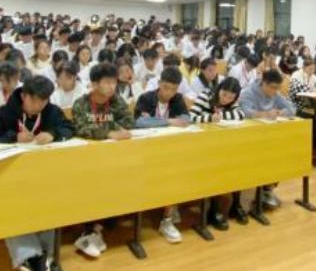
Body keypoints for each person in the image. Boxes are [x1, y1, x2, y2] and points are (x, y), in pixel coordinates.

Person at [0, 75, 74, 271]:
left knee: (51, 200)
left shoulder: (51, 111)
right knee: (12, 206)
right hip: (10, 177)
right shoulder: (5, 113)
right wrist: (12, 138)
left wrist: (53, 133)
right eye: (34, 101)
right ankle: (29, 255)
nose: (38, 106)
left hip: (44, 174)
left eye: (43, 101)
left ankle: (46, 254)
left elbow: (69, 128)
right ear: (24, 96)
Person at [71, 62, 134, 258]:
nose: (111, 87)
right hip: (87, 160)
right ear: (94, 84)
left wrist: (104, 130)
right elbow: (81, 128)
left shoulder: (116, 101)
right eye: (106, 82)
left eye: (114, 82)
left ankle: (95, 229)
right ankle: (89, 229)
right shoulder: (81, 103)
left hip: (114, 158)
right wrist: (109, 132)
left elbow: (128, 122)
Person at [134, 67, 191, 243]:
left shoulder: (178, 99)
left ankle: (167, 219)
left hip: (171, 150)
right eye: (166, 87)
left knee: (176, 172)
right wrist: (169, 121)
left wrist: (156, 121)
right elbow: (140, 122)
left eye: (173, 89)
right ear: (159, 84)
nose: (169, 93)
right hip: (146, 151)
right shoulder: (146, 98)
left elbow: (186, 119)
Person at [189, 77, 248, 227]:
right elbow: (191, 117)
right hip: (202, 145)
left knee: (238, 163)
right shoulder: (206, 95)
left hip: (223, 145)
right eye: (224, 94)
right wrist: (209, 118)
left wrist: (220, 116)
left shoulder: (232, 102)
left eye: (230, 97)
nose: (226, 99)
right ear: (219, 89)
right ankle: (213, 209)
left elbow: (240, 115)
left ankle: (236, 204)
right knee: (216, 166)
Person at [238, 69, 295, 208]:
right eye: (273, 87)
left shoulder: (276, 93)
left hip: (269, 136)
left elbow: (291, 109)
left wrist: (279, 112)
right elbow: (245, 112)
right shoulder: (248, 93)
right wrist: (264, 114)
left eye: (278, 88)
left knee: (280, 155)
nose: (275, 91)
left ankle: (268, 189)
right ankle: (262, 190)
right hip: (249, 137)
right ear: (263, 83)